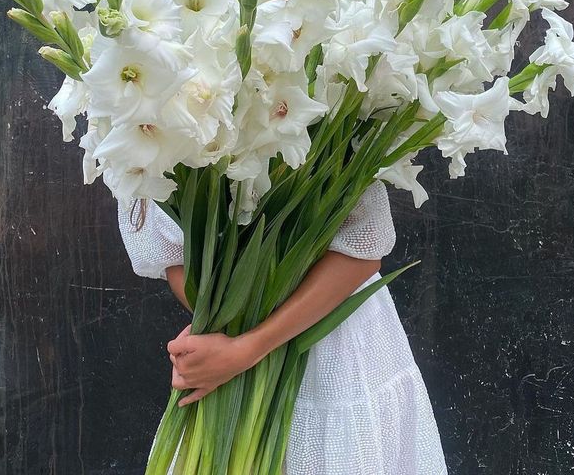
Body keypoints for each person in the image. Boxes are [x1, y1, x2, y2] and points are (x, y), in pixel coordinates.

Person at [119, 180, 447, 474]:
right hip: (226, 351)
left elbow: (363, 249)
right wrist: (220, 326)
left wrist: (249, 345)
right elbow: (173, 256)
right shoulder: (144, 124)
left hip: (331, 341)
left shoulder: (333, 116)